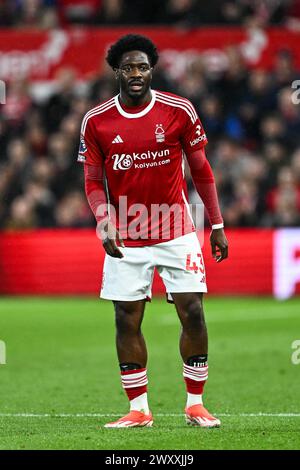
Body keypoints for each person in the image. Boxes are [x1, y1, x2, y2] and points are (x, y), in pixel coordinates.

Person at [78, 34, 228, 428]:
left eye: (143, 67)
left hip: (177, 230)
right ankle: (139, 409)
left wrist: (217, 223)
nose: (136, 73)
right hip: (126, 236)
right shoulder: (96, 121)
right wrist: (103, 218)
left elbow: (201, 169)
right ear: (116, 71)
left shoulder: (178, 110)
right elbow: (92, 180)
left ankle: (195, 402)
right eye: (128, 67)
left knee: (193, 311)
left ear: (152, 70)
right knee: (126, 319)